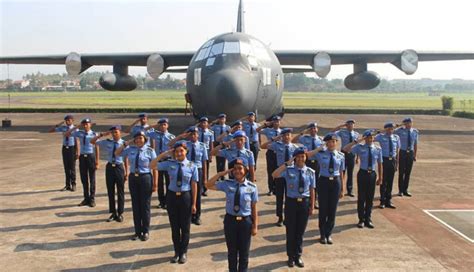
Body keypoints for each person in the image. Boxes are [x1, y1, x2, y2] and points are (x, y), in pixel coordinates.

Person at [206, 158, 258, 272]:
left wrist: (255, 226)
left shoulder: (252, 187)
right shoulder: (226, 184)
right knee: (232, 252)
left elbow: (254, 208)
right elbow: (208, 185)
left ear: (245, 170)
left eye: (240, 168)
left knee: (244, 252)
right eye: (234, 169)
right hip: (231, 221)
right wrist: (222, 173)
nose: (237, 171)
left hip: (245, 221)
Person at [151, 141, 198, 265]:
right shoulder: (169, 163)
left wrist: (194, 204)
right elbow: (152, 165)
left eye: (181, 150)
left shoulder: (192, 166)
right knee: (175, 227)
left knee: (185, 227)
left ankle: (183, 252)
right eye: (177, 151)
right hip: (172, 197)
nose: (179, 153)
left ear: (186, 151)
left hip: (185, 197)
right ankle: (176, 252)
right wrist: (165, 154)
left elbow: (194, 185)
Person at [272, 147, 315, 268]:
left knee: (300, 232)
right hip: (291, 203)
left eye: (303, 156)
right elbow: (274, 174)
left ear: (306, 157)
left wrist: (312, 206)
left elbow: (312, 190)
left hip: (304, 203)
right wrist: (287, 163)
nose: (301, 159)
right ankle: (290, 256)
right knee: (291, 231)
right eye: (298, 157)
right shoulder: (288, 170)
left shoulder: (311, 172)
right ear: (295, 158)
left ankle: (298, 255)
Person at [115, 131, 157, 241]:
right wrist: (126, 143)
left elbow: (155, 167)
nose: (138, 140)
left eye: (141, 138)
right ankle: (137, 231)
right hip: (133, 178)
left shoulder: (150, 151)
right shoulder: (130, 149)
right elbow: (117, 153)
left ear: (145, 139)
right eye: (136, 139)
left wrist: (155, 184)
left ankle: (145, 231)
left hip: (145, 178)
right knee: (136, 205)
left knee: (145, 205)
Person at [307, 132, 345, 244]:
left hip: (336, 182)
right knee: (323, 209)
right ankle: (322, 234)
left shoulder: (341, 156)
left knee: (332, 209)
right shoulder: (320, 153)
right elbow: (308, 155)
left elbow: (342, 173)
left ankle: (329, 233)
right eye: (329, 142)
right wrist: (319, 148)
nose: (331, 144)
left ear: (336, 143)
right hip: (323, 181)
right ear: (326, 143)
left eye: (333, 141)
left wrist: (342, 188)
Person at [343, 130, 383, 228]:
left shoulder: (377, 149)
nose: (370, 139)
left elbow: (380, 163)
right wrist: (357, 141)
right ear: (365, 138)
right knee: (361, 198)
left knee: (370, 198)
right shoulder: (359, 147)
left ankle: (368, 218)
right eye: (368, 137)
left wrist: (380, 177)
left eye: (372, 137)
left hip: (372, 174)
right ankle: (361, 219)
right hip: (362, 174)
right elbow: (345, 149)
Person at [170, 126, 208, 225]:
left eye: (195, 134)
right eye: (191, 134)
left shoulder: (202, 146)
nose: (193, 136)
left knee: (197, 194)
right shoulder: (184, 145)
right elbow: (169, 144)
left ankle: (197, 215)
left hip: (198, 169)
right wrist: (180, 136)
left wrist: (205, 177)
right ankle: (189, 215)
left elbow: (204, 162)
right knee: (188, 193)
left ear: (198, 135)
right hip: (185, 168)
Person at [261, 128, 299, 227]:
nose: (287, 137)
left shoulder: (295, 148)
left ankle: (287, 216)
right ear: (281, 136)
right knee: (279, 196)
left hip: (291, 174)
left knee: (289, 196)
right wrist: (275, 138)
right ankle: (280, 217)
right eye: (284, 135)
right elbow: (263, 146)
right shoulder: (277, 145)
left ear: (291, 136)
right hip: (280, 173)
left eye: (288, 135)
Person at [91, 125, 128, 222]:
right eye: (113, 132)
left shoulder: (124, 143)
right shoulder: (108, 142)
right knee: (110, 190)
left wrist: (126, 172)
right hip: (110, 167)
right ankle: (113, 212)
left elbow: (126, 159)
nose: (114, 134)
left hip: (119, 167)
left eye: (116, 132)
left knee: (120, 191)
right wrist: (102, 134)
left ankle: (120, 212)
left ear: (120, 132)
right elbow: (92, 142)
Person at [65, 118, 99, 207]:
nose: (85, 125)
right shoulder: (79, 133)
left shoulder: (94, 134)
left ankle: (92, 199)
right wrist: (77, 126)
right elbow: (67, 134)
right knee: (84, 179)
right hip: (82, 158)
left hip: (91, 157)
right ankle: (86, 198)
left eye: (87, 124)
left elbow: (97, 147)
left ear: (90, 124)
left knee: (92, 179)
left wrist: (97, 161)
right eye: (84, 124)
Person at [292, 122, 323, 209]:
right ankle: (305, 199)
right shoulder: (305, 138)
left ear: (317, 129)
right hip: (307, 162)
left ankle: (314, 200)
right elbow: (293, 140)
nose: (313, 130)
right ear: (309, 130)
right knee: (305, 181)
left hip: (317, 163)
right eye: (311, 128)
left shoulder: (321, 140)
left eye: (315, 128)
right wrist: (303, 132)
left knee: (315, 182)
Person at [146, 118, 176, 209]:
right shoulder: (155, 134)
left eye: (165, 124)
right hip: (158, 161)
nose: (163, 126)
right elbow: (144, 131)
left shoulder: (172, 137)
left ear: (167, 126)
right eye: (161, 125)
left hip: (168, 161)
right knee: (159, 183)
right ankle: (161, 201)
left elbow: (174, 150)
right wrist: (155, 126)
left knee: (168, 181)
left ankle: (168, 201)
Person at [48, 114, 79, 192]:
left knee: (72, 167)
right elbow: (50, 131)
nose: (67, 122)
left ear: (72, 121)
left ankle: (73, 184)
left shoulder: (75, 129)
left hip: (72, 148)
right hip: (65, 148)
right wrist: (58, 125)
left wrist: (78, 152)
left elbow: (77, 141)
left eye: (69, 120)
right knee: (66, 167)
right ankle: (67, 184)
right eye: (66, 120)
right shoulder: (63, 128)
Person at [375, 122, 400, 209]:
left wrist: (397, 163)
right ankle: (382, 201)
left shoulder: (396, 137)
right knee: (383, 181)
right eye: (389, 129)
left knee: (390, 181)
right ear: (385, 129)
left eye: (392, 129)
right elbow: (371, 136)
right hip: (384, 160)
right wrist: (382, 131)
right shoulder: (381, 137)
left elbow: (397, 151)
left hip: (392, 160)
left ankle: (388, 201)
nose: (391, 130)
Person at [332, 119, 359, 197]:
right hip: (343, 154)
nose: (351, 125)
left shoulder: (356, 134)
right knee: (341, 173)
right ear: (347, 125)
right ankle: (340, 189)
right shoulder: (342, 132)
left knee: (350, 173)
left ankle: (349, 190)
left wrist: (357, 157)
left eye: (352, 124)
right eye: (349, 124)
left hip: (352, 155)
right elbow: (332, 132)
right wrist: (342, 126)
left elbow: (357, 146)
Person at [257, 115, 282, 196]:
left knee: (278, 171)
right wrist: (265, 124)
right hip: (270, 152)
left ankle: (277, 188)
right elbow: (257, 130)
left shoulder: (282, 132)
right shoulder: (268, 130)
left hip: (279, 153)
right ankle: (271, 189)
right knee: (270, 171)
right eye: (275, 121)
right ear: (272, 122)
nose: (276, 123)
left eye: (278, 121)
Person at [395, 117, 419, 197]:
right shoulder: (400, 131)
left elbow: (415, 144)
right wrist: (399, 126)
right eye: (407, 123)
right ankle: (400, 190)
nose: (409, 124)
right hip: (403, 152)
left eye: (410, 123)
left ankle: (405, 190)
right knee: (401, 172)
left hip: (410, 153)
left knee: (408, 172)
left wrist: (415, 155)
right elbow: (392, 132)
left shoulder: (415, 132)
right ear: (404, 124)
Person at [210, 113, 231, 180]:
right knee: (218, 161)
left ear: (225, 119)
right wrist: (213, 122)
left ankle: (223, 176)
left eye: (223, 119)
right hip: (218, 145)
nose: (222, 120)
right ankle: (218, 175)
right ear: (218, 119)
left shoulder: (228, 127)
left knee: (224, 161)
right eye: (220, 119)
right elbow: (208, 128)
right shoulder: (215, 127)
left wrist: (229, 145)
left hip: (225, 145)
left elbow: (229, 137)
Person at [198, 116, 215, 196]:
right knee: (198, 170)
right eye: (202, 122)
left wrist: (211, 154)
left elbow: (211, 144)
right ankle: (199, 188)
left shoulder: (210, 132)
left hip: (207, 151)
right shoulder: (197, 132)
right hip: (198, 151)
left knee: (205, 170)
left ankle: (205, 188)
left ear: (207, 124)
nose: (203, 124)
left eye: (205, 122)